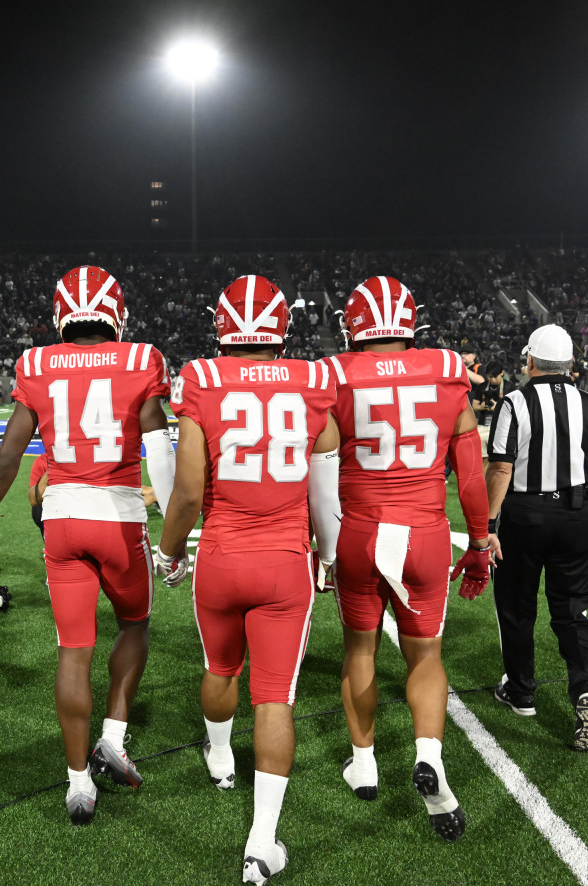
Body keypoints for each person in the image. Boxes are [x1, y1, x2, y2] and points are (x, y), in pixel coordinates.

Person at [156, 275, 338, 885]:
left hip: (223, 555)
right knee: (275, 697)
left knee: (219, 667)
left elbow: (185, 493)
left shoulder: (202, 380)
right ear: (281, 327)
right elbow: (326, 497)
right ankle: (262, 841)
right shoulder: (314, 380)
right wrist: (330, 556)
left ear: (222, 326)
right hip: (285, 559)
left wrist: (170, 552)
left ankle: (218, 754)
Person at [0, 265, 175, 826]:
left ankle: (78, 785)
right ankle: (112, 735)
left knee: (73, 650)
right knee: (133, 625)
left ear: (63, 313)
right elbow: (159, 453)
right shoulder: (140, 359)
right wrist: (172, 538)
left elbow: (10, 456)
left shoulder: (36, 364)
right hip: (117, 515)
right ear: (115, 312)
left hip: (62, 517)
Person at [315, 276, 492, 845]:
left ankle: (363, 764)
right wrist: (481, 542)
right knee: (425, 656)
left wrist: (319, 542)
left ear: (354, 326)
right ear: (409, 322)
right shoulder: (444, 367)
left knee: (360, 648)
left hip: (360, 530)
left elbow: (318, 464)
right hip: (424, 532)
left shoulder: (335, 373)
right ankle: (429, 755)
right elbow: (469, 475)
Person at [487, 324, 588, 751]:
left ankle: (522, 691)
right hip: (576, 515)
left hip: (525, 516)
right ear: (570, 365)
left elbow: (502, 469)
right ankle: (586, 689)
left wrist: (488, 525)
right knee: (573, 612)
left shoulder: (515, 401)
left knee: (517, 606)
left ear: (529, 361)